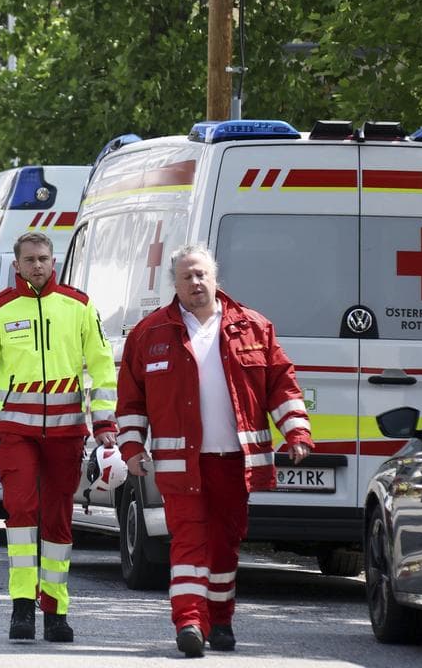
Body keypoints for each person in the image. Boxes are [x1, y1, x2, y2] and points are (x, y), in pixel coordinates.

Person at [116, 244, 313, 657]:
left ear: (215, 277)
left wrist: (296, 433)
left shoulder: (253, 327)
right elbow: (131, 401)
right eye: (187, 276)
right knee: (188, 541)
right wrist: (132, 447)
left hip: (235, 463)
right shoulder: (150, 334)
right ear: (175, 283)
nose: (195, 282)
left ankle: (220, 617)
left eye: (201, 274)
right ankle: (189, 621)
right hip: (180, 464)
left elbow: (281, 384)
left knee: (225, 543)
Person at [0, 231, 118, 643]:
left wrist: (104, 424)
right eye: (29, 259)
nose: (37, 265)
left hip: (66, 431)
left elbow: (103, 369)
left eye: (43, 258)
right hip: (15, 432)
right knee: (21, 511)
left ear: (54, 262)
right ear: (16, 265)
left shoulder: (79, 307)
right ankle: (20, 608)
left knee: (58, 519)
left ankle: (55, 610)